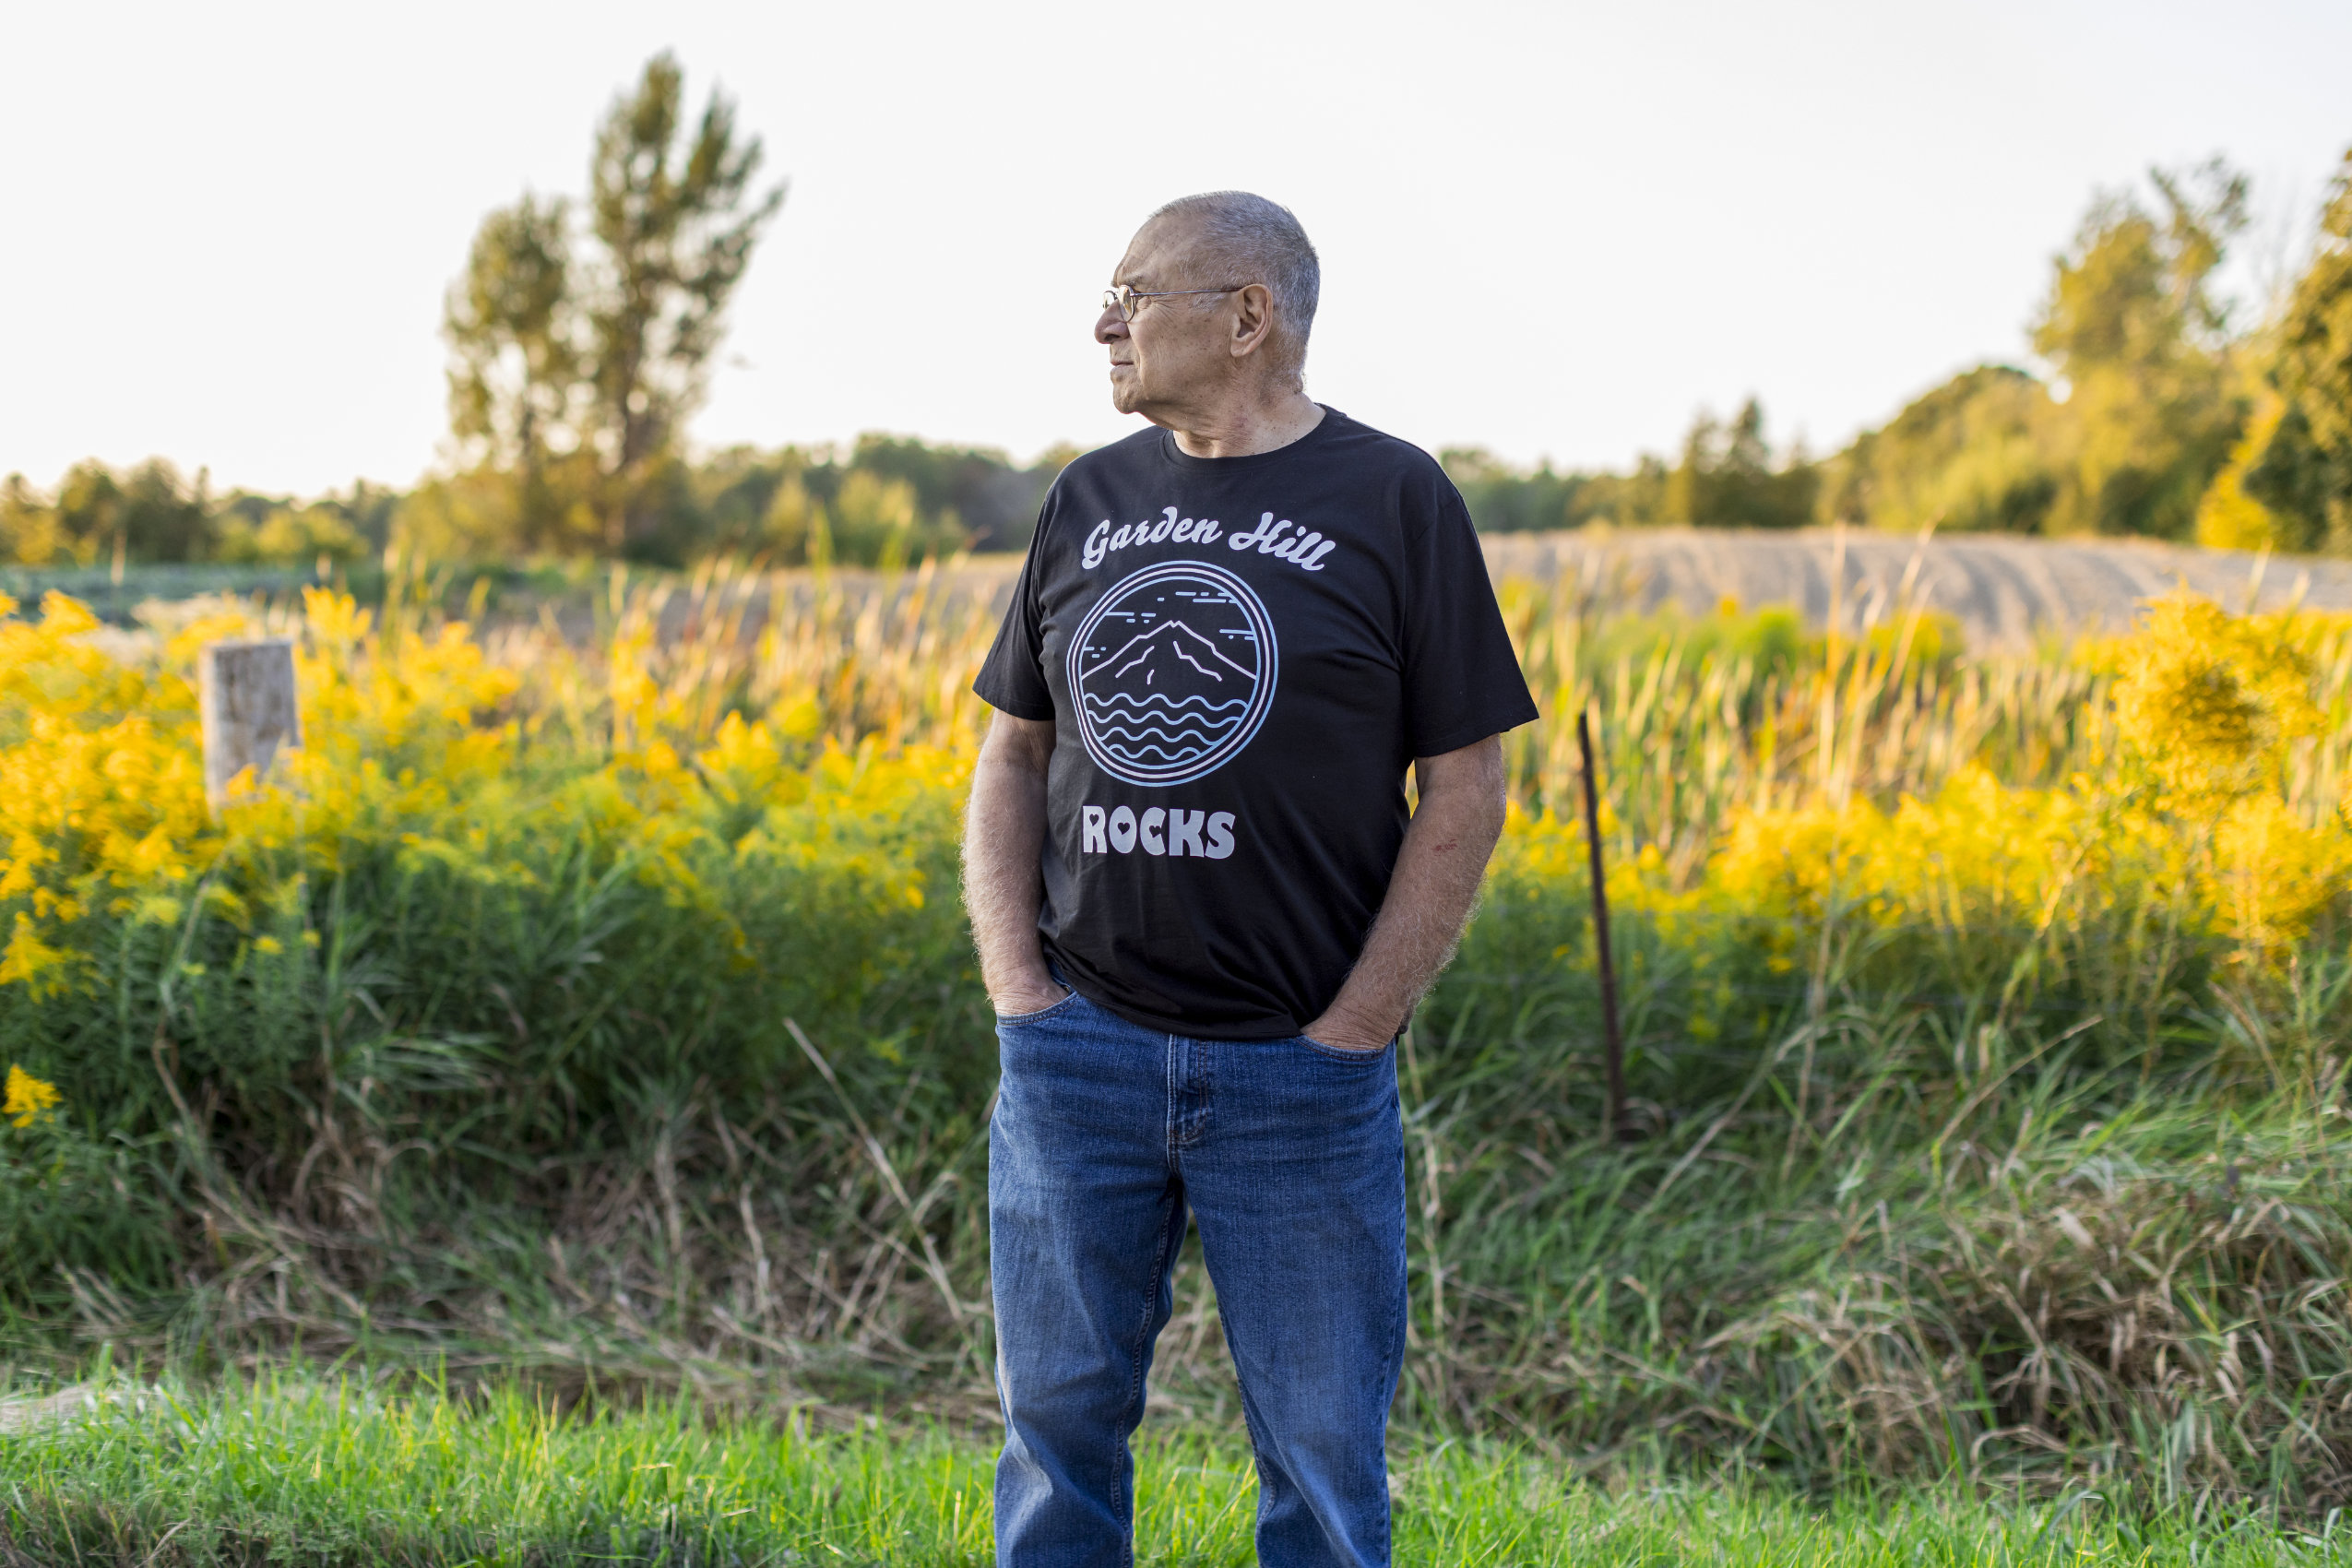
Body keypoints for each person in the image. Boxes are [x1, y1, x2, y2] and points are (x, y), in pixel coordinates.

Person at [964, 190, 1538, 1568]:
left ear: (1245, 316)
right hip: (1077, 1055)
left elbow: (1466, 788)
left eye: (1135, 290)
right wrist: (1019, 994)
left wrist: (1356, 1031)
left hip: (1298, 1073)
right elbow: (1007, 757)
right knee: (1055, 1426)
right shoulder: (1086, 497)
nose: (1104, 321)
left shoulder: (1395, 498)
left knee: (1321, 1446)